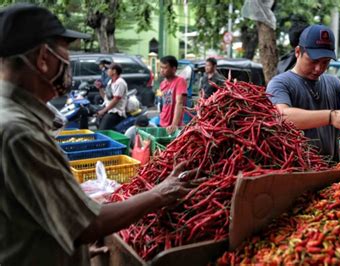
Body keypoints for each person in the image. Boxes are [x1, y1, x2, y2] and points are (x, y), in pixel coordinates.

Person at [0, 4, 195, 265]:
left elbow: (27, 214)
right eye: (65, 52)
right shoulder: (19, 132)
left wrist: (72, 253)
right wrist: (160, 193)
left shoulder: (12, 117)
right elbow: (85, 224)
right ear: (43, 59)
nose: (68, 62)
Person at [266, 24, 340, 162]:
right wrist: (331, 117)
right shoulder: (279, 83)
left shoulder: (334, 83)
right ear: (297, 52)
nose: (319, 68)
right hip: (296, 170)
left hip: (332, 169)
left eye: (325, 62)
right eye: (313, 61)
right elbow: (282, 116)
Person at [159, 55, 187, 134]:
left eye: (165, 68)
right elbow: (162, 102)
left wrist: (174, 124)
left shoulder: (180, 81)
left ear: (174, 69)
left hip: (173, 125)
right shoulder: (162, 84)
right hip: (163, 122)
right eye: (161, 67)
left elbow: (179, 103)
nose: (162, 70)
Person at [97, 63, 128, 130]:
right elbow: (106, 97)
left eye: (109, 69)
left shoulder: (120, 83)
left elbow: (115, 100)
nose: (107, 71)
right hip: (108, 109)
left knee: (102, 131)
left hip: (115, 112)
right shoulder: (110, 82)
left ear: (114, 71)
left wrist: (103, 111)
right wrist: (100, 88)